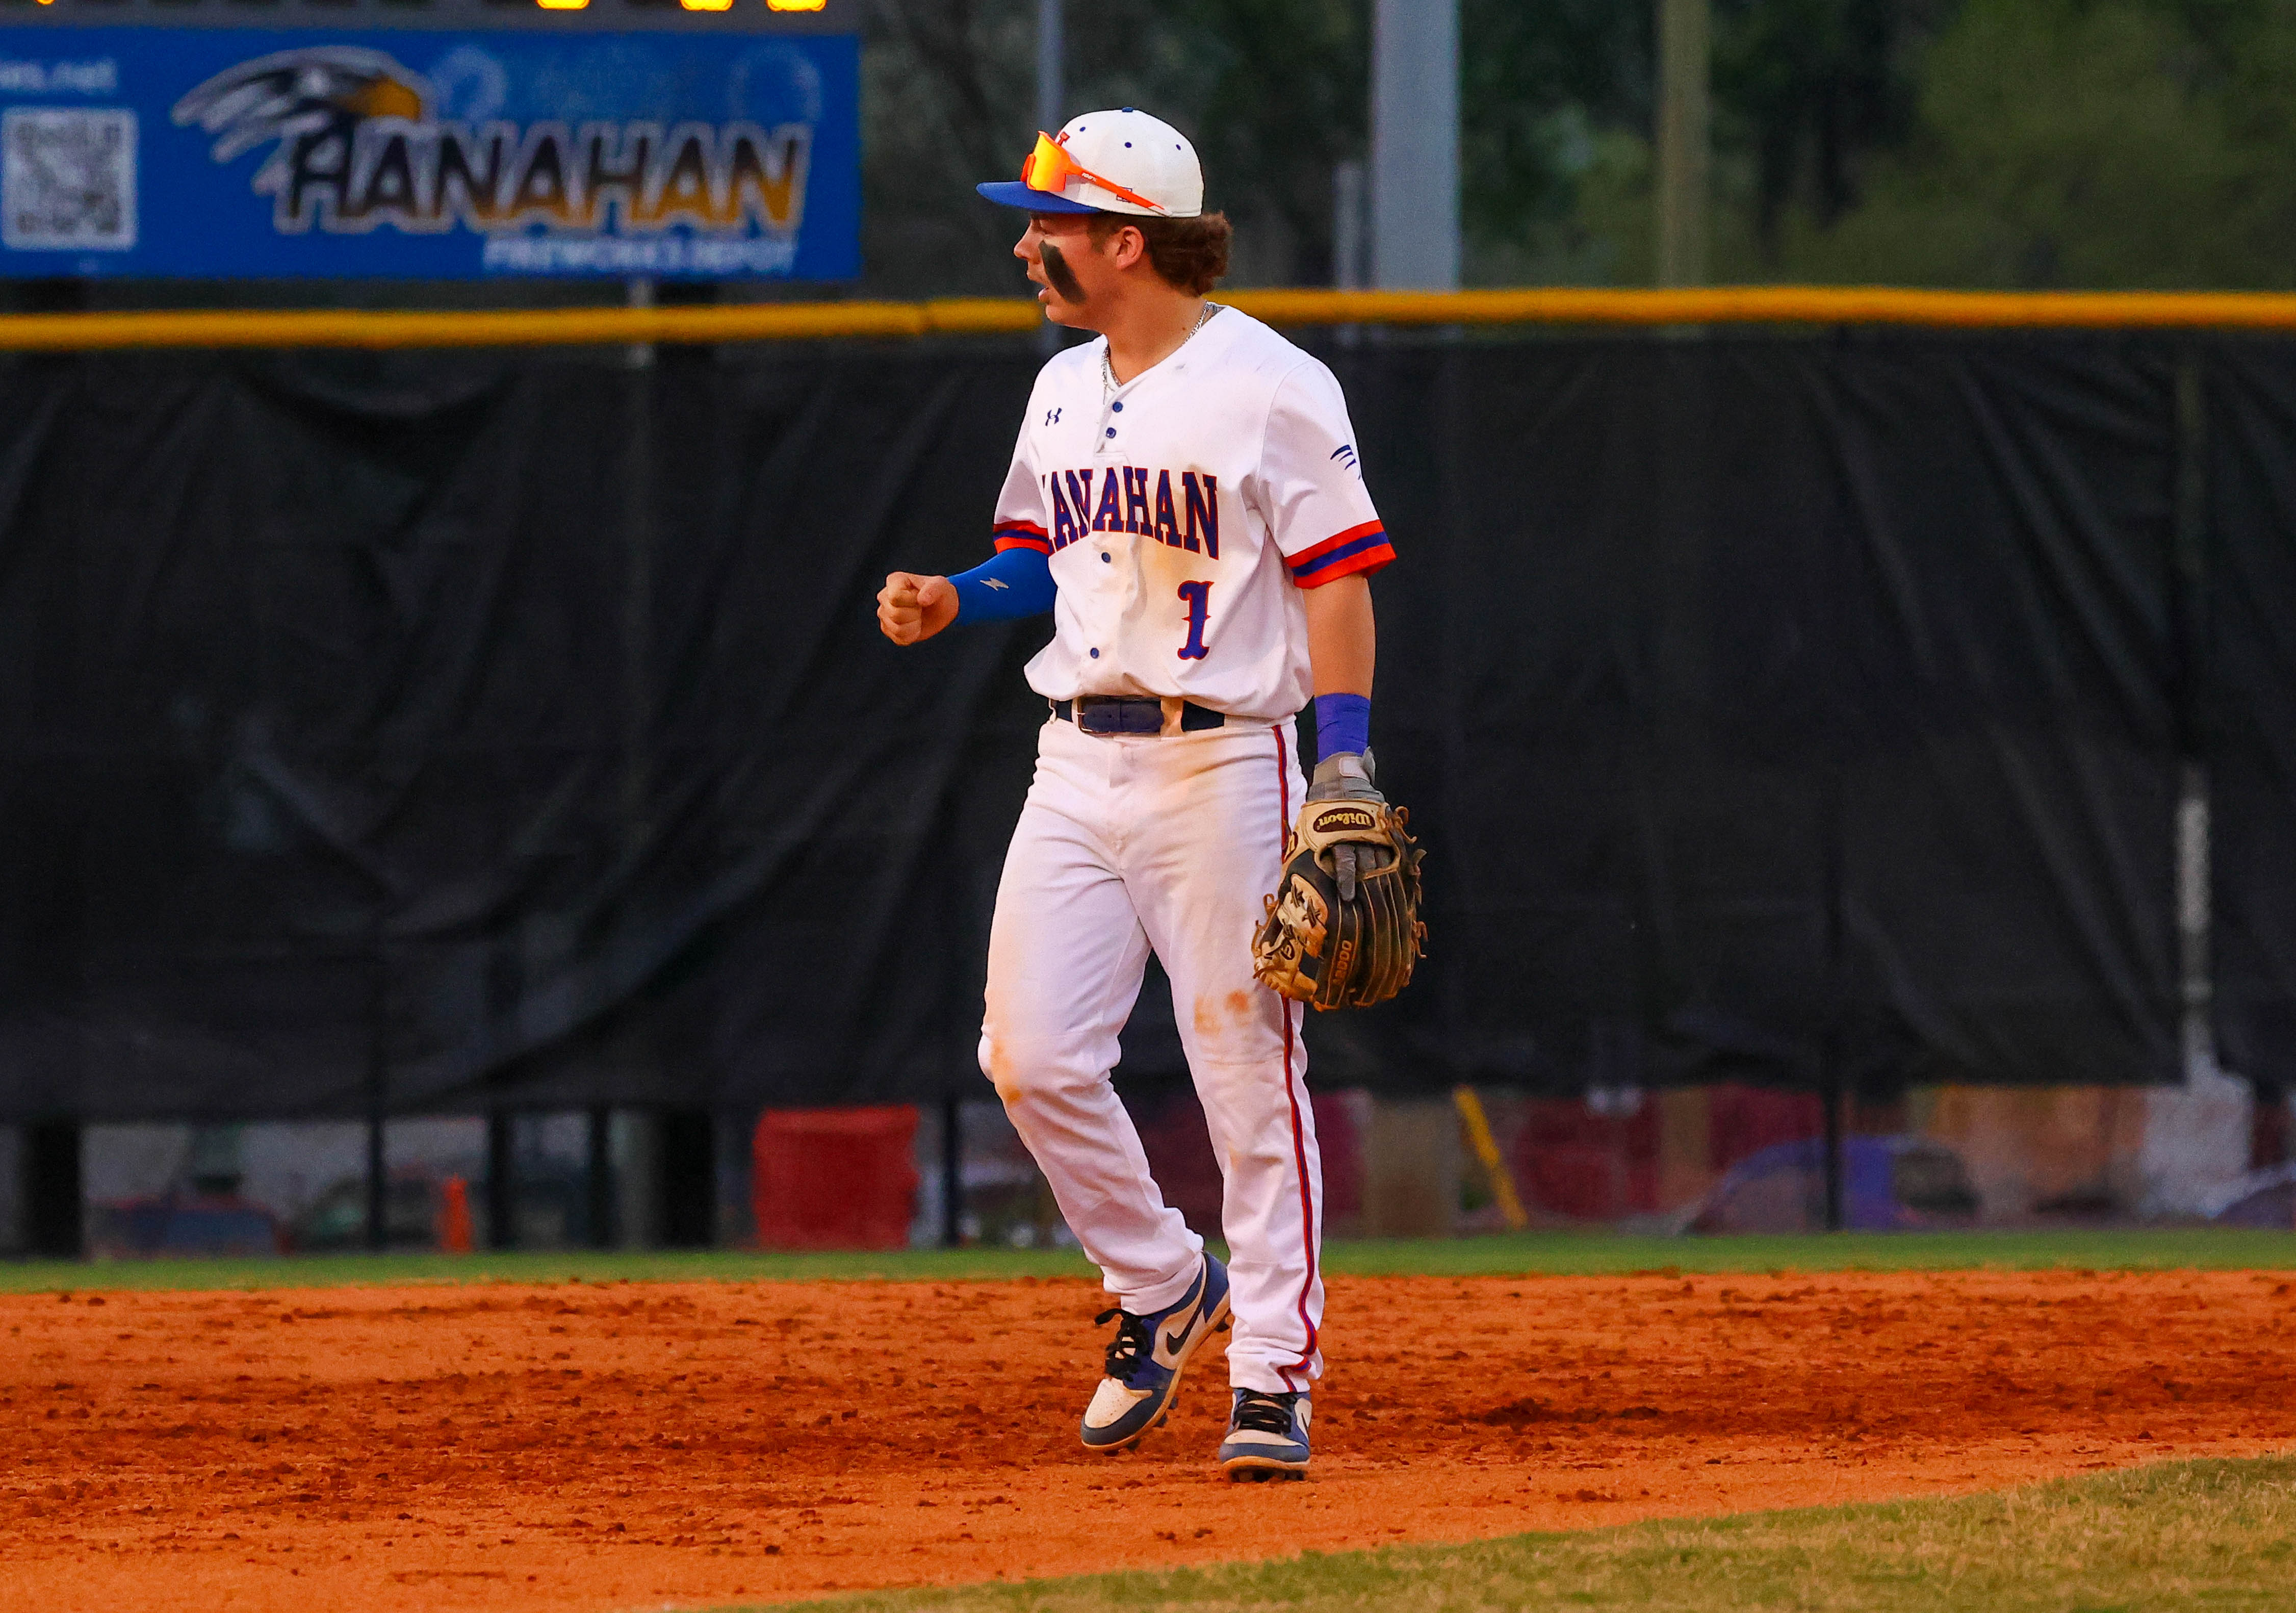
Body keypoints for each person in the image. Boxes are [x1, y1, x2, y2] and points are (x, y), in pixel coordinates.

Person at [874, 110, 1395, 1481]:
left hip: (1223, 759)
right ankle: (1165, 1280)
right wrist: (956, 596)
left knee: (1245, 1081)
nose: (1025, 244)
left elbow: (1339, 579)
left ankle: (1275, 1374)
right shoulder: (1059, 388)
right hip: (1073, 757)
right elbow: (1039, 560)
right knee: (1030, 1055)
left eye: (1050, 224)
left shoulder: (1271, 384)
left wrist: (1341, 762)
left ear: (1127, 240)